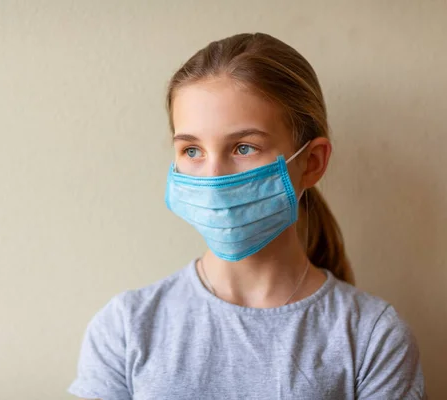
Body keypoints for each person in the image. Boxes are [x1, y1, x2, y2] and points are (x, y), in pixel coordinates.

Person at [68, 32, 426, 399]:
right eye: (192, 150)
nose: (214, 176)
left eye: (243, 147)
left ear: (311, 163)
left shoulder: (373, 338)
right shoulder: (125, 328)